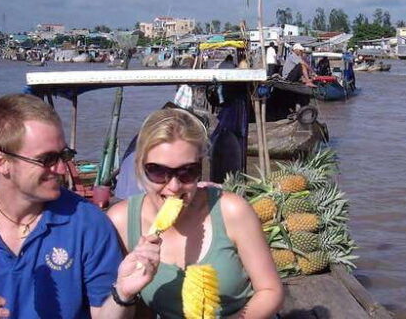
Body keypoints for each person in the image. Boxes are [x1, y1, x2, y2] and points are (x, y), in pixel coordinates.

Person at [0, 94, 155, 319]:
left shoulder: (88, 223)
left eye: (64, 155)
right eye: (47, 159)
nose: (62, 169)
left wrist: (122, 295)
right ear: (2, 162)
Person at [107, 108, 284, 318]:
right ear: (139, 167)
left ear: (200, 167)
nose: (173, 187)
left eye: (187, 171)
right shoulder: (121, 222)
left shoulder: (231, 211)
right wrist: (124, 291)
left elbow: (270, 291)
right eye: (158, 171)